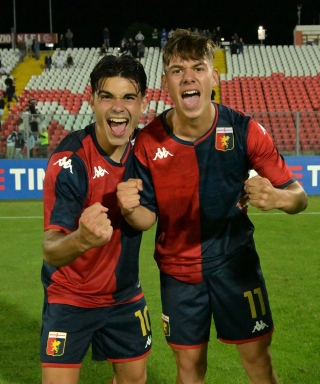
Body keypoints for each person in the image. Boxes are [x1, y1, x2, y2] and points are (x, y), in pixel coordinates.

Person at [116, 29, 308, 384]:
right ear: (166, 83)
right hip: (178, 275)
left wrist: (277, 197)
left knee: (259, 364)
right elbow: (146, 218)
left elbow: (299, 197)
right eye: (177, 70)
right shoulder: (146, 142)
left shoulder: (244, 130)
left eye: (198, 67)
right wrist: (129, 209)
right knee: (189, 369)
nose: (188, 76)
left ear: (213, 76)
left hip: (237, 266)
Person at [41, 54, 150, 384]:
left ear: (143, 103)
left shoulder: (147, 151)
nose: (118, 107)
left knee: (134, 380)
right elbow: (51, 249)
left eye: (128, 97)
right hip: (69, 296)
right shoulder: (70, 160)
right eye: (107, 96)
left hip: (124, 295)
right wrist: (81, 239)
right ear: (91, 101)